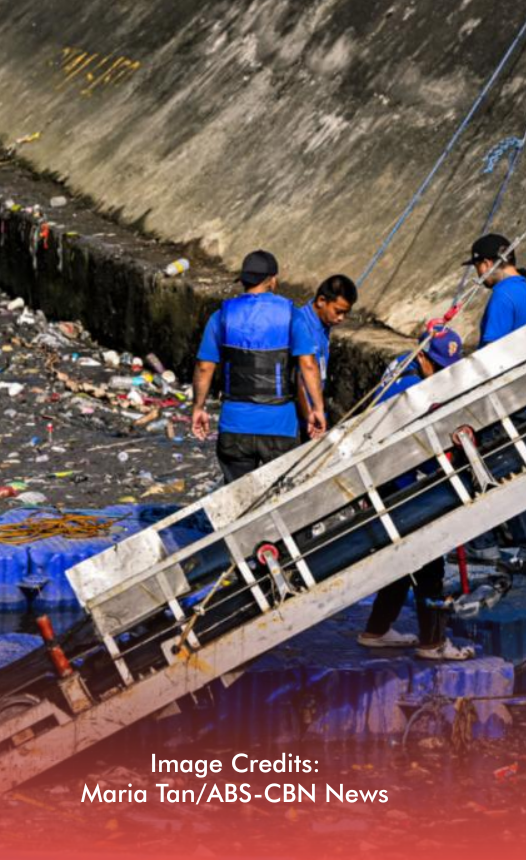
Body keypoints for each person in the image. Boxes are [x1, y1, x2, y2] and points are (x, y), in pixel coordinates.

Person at [356, 321, 474, 660]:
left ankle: (377, 630)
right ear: (423, 359)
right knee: (428, 562)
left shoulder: (407, 372)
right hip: (397, 483)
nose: (441, 375)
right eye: (437, 367)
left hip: (397, 478)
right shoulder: (407, 389)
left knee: (404, 561)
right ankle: (433, 643)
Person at [190, 251, 326, 483]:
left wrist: (198, 407)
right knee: (280, 499)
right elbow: (308, 365)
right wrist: (317, 409)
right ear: (272, 280)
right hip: (280, 427)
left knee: (237, 503)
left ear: (243, 281)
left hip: (235, 427)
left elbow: (205, 367)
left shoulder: (221, 316)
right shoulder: (291, 314)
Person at [466, 232, 526, 573]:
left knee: (499, 473)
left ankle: (519, 547)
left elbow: (489, 355)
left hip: (508, 404)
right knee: (519, 472)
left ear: (486, 264)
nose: (478, 276)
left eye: (477, 267)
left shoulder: (503, 295)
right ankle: (506, 542)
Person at [293, 274, 357, 436]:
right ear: (321, 301)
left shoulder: (323, 325)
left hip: (314, 409)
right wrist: (311, 413)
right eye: (338, 311)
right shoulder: (301, 325)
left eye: (345, 313)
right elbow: (296, 377)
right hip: (301, 413)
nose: (341, 318)